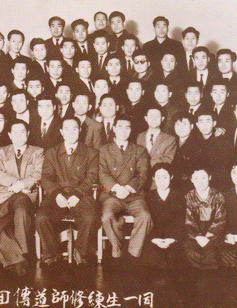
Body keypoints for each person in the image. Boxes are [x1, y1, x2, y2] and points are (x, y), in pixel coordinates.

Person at [35, 117, 99, 265]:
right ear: (61, 132)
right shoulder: (52, 153)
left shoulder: (91, 153)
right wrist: (57, 195)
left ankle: (81, 252)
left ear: (80, 131)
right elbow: (46, 178)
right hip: (56, 195)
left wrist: (78, 194)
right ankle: (51, 254)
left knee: (90, 217)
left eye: (75, 128)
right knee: (41, 218)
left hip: (82, 195)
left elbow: (92, 177)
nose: (71, 132)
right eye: (67, 129)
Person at [0, 120, 44, 276]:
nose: (19, 136)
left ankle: (21, 262)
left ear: (28, 133)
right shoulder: (1, 151)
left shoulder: (37, 151)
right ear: (9, 135)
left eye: (23, 132)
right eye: (15, 132)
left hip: (26, 194)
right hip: (6, 194)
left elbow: (39, 173)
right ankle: (19, 258)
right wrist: (15, 183)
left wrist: (22, 185)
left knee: (21, 213)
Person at [99, 114, 152, 259]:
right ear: (114, 129)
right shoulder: (104, 150)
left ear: (131, 130)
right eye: (120, 127)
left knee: (145, 217)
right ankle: (117, 249)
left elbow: (143, 174)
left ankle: (133, 253)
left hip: (134, 196)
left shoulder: (139, 150)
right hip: (111, 195)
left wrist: (127, 188)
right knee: (106, 217)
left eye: (127, 128)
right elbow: (102, 174)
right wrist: (117, 188)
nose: (123, 131)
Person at [140, 163, 186, 269]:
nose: (162, 181)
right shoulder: (148, 197)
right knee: (150, 263)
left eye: (165, 177)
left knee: (176, 264)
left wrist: (172, 239)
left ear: (171, 177)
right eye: (158, 177)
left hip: (173, 238)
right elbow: (146, 222)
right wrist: (154, 239)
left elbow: (181, 222)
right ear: (153, 178)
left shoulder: (179, 196)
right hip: (154, 238)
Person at [184, 167, 226, 269]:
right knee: (190, 251)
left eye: (203, 177)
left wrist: (208, 236)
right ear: (192, 180)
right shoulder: (188, 197)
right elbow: (189, 220)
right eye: (196, 178)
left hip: (214, 233)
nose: (200, 182)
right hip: (194, 233)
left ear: (210, 177)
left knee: (212, 253)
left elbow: (220, 220)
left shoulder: (218, 196)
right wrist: (198, 236)